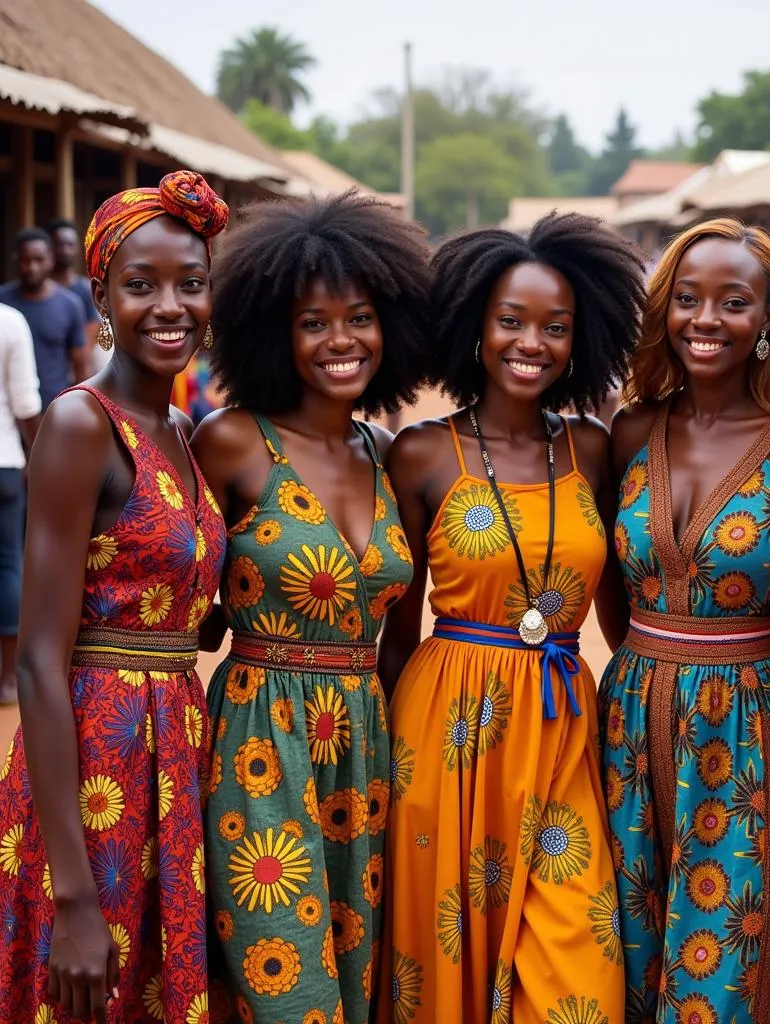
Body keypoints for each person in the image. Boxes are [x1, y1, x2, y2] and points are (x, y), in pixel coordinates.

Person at [377, 213, 645, 1023]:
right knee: (447, 952)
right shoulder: (421, 453)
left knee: (577, 966)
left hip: (563, 726)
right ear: (474, 327)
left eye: (556, 327)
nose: (533, 342)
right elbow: (397, 627)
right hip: (448, 730)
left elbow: (622, 614)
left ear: (581, 338)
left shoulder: (594, 449)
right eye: (512, 321)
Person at [192, 191, 432, 1024]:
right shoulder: (230, 441)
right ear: (272, 331)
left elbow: (401, 642)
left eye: (360, 317)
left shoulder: (388, 455)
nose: (341, 341)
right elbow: (184, 591)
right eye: (313, 322)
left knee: (358, 973)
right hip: (261, 740)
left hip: (364, 747)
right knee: (286, 984)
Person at [599, 218, 770, 1024]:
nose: (706, 319)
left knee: (726, 958)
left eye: (733, 302)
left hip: (748, 725)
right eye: (689, 299)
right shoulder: (631, 430)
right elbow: (608, 576)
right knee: (625, 946)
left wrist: (736, 660)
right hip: (628, 721)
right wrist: (645, 652)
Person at [0, 170, 229, 1023]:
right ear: (101, 294)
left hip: (174, 756)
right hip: (94, 775)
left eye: (191, 284)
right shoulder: (79, 423)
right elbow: (36, 661)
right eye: (142, 286)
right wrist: (73, 896)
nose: (170, 306)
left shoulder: (181, 432)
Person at [0, 303, 40, 705]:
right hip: (5, 462)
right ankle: (8, 679)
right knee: (9, 562)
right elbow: (26, 404)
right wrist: (39, 457)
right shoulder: (10, 320)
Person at [0, 228, 89, 409]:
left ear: (50, 259)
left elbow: (80, 366)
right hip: (9, 412)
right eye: (26, 260)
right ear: (15, 261)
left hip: (55, 407)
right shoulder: (3, 302)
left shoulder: (70, 305)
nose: (32, 267)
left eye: (39, 260)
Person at [48, 217, 100, 356]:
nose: (65, 250)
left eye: (70, 244)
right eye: (59, 244)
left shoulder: (86, 289)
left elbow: (92, 328)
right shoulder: (37, 289)